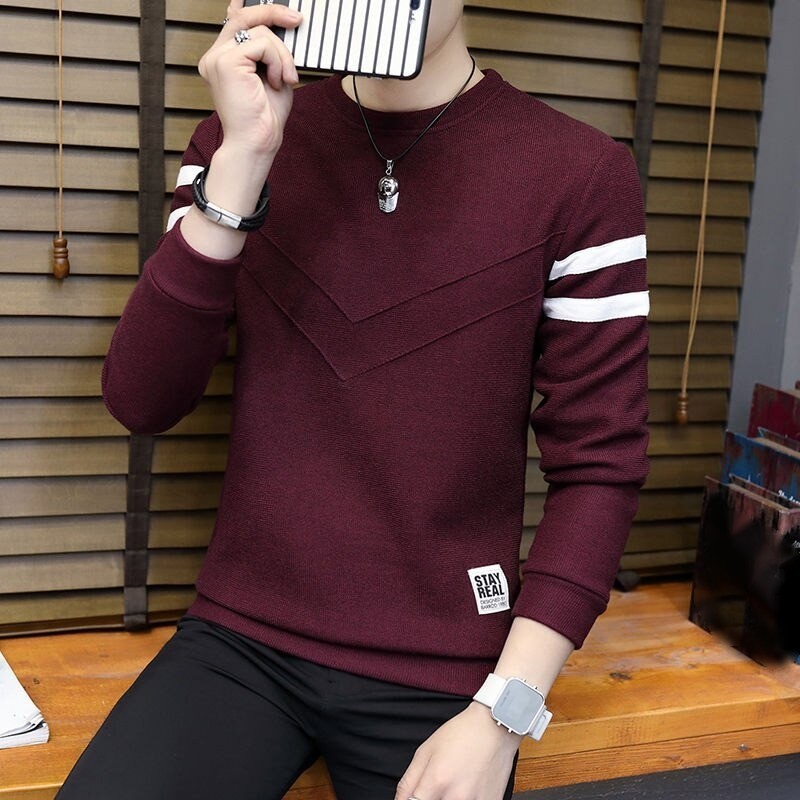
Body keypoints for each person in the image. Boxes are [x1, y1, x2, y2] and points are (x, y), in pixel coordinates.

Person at [56, 1, 649, 798]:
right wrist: (244, 161)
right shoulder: (237, 139)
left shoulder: (579, 173)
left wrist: (504, 714)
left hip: (448, 666)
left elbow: (600, 467)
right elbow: (142, 400)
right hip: (242, 637)